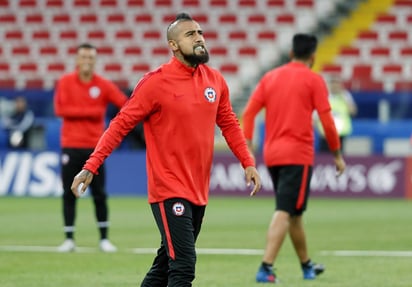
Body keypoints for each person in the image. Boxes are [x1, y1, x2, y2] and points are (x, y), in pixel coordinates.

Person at [70, 13, 261, 287]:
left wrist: (247, 161)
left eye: (200, 32)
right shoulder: (155, 83)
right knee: (183, 267)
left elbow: (229, 123)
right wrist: (91, 165)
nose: (199, 38)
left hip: (198, 189)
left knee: (163, 266)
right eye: (190, 34)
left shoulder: (215, 81)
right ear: (173, 45)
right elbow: (120, 125)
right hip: (169, 188)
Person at [242, 33, 346, 283]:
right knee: (286, 210)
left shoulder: (270, 77)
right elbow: (327, 122)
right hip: (297, 155)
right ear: (313, 57)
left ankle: (307, 266)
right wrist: (337, 154)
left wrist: (248, 143)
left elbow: (249, 113)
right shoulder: (314, 80)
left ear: (290, 53)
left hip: (273, 154)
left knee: (295, 213)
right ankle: (266, 267)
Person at [54, 43, 128, 252]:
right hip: (71, 145)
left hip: (96, 148)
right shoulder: (65, 82)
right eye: (83, 57)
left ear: (95, 61)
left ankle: (104, 238)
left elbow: (125, 104)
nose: (87, 61)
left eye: (90, 57)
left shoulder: (103, 85)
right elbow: (61, 109)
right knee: (68, 192)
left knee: (99, 193)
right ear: (77, 60)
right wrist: (94, 110)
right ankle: (69, 238)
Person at [317, 75, 357, 153]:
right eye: (332, 83)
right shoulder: (324, 96)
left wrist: (343, 97)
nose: (334, 85)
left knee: (339, 156)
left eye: (336, 83)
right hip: (326, 134)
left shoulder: (346, 96)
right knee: (324, 157)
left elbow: (353, 111)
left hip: (341, 134)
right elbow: (316, 116)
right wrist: (320, 131)